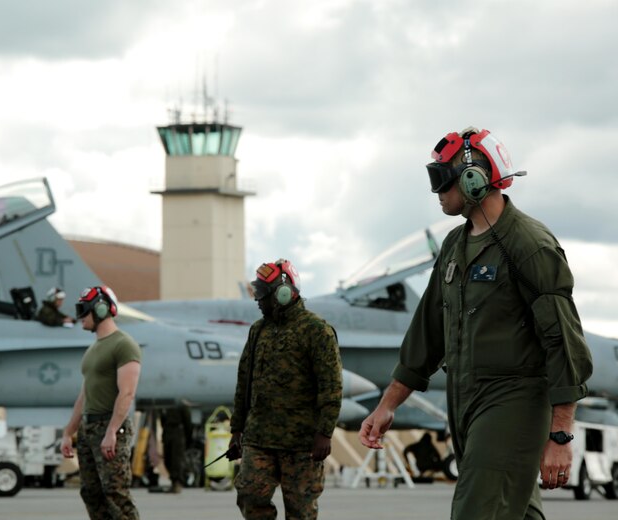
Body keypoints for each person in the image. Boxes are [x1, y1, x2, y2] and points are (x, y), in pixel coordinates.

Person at [358, 127, 593, 520]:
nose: (437, 191)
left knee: (476, 511)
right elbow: (428, 332)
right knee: (513, 512)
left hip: (512, 401)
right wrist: (387, 406)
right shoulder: (454, 245)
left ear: (474, 178)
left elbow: (563, 341)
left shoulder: (529, 245)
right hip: (464, 401)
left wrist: (560, 435)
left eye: (441, 179)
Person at [229, 259, 343, 520]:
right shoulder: (258, 330)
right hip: (259, 438)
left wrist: (324, 433)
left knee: (301, 511)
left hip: (302, 444)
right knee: (249, 496)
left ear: (283, 292)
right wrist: (237, 430)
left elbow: (331, 386)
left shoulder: (316, 331)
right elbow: (244, 382)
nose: (258, 300)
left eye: (262, 294)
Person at [60, 286, 142, 519]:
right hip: (89, 428)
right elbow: (84, 394)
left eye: (84, 311)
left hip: (109, 426)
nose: (80, 317)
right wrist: (69, 432)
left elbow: (127, 393)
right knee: (91, 493)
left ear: (101, 309)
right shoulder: (94, 349)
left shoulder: (124, 345)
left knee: (115, 493)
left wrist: (112, 431)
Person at [160, 406, 192, 493]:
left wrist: (187, 437)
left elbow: (187, 419)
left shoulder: (179, 401)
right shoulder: (165, 403)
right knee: (167, 459)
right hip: (167, 431)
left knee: (176, 459)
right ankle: (175, 480)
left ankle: (177, 482)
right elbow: (162, 419)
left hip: (178, 431)